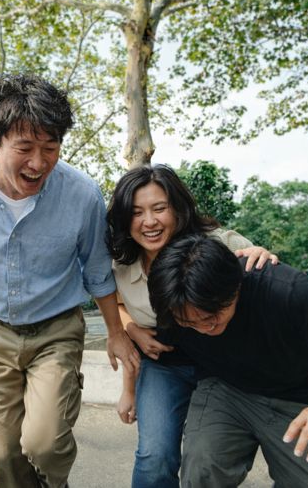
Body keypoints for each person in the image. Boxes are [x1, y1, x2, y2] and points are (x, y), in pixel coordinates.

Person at [0, 73, 139, 488]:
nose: (39, 162)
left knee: (44, 444)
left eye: (51, 148)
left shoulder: (81, 193)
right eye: (24, 148)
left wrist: (116, 332)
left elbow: (97, 269)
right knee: (5, 455)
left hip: (57, 330)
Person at [148, 234, 308, 487]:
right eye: (190, 322)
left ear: (236, 286)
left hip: (300, 400)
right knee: (202, 467)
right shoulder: (172, 305)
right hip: (226, 390)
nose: (206, 327)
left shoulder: (285, 289)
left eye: (213, 314)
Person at [106, 164, 276, 488]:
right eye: (138, 212)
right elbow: (115, 303)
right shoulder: (119, 261)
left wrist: (259, 254)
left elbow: (262, 273)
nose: (150, 221)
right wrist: (130, 329)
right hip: (164, 366)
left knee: (205, 462)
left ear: (178, 209)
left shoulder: (214, 245)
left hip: (219, 366)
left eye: (159, 208)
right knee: (154, 457)